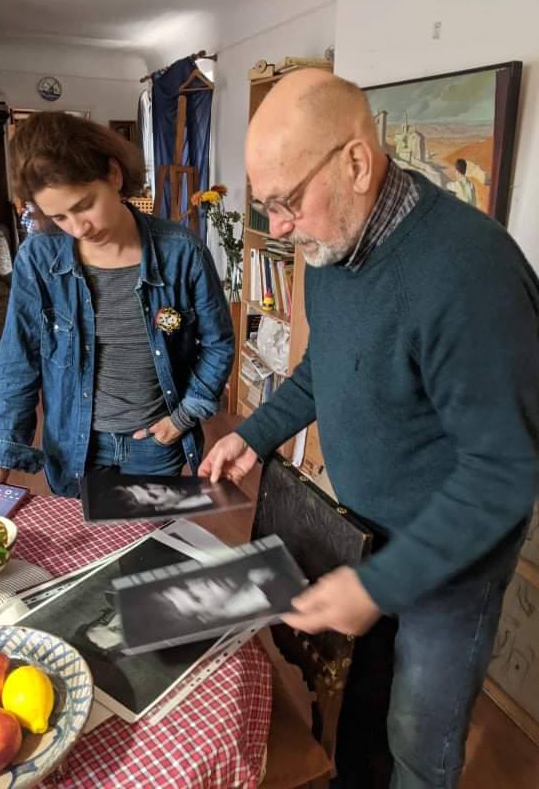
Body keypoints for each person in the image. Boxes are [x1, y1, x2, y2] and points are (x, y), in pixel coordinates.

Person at [199, 69, 539, 789]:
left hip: (448, 560)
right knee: (362, 706)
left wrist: (379, 585)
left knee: (420, 737)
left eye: (287, 202)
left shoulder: (470, 275)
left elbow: (504, 472)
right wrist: (253, 433)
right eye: (268, 206)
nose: (281, 228)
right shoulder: (332, 243)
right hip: (366, 536)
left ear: (355, 161)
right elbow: (329, 365)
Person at [0, 111, 234, 498]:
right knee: (84, 554)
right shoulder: (38, 258)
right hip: (73, 446)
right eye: (59, 216)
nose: (78, 227)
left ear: (114, 175)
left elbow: (218, 343)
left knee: (151, 552)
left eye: (84, 204)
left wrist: (184, 416)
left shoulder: (182, 252)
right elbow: (18, 361)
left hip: (156, 444)